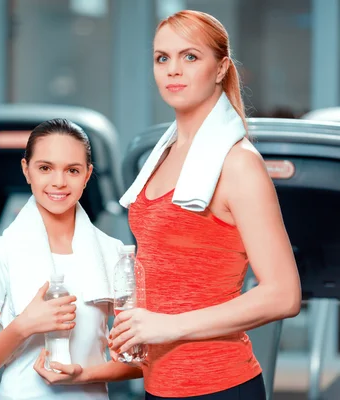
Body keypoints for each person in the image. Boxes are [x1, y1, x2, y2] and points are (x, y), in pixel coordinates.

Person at [106, 10, 302, 400]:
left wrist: (166, 326)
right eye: (163, 58)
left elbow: (283, 294)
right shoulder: (161, 156)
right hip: (159, 384)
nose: (173, 70)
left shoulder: (238, 164)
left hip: (220, 385)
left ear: (220, 68)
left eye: (190, 56)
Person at [0, 118, 143, 400]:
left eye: (72, 170)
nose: (58, 182)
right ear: (27, 170)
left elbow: (140, 362)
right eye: (45, 168)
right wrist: (25, 325)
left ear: (87, 175)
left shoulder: (114, 253)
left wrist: (83, 374)